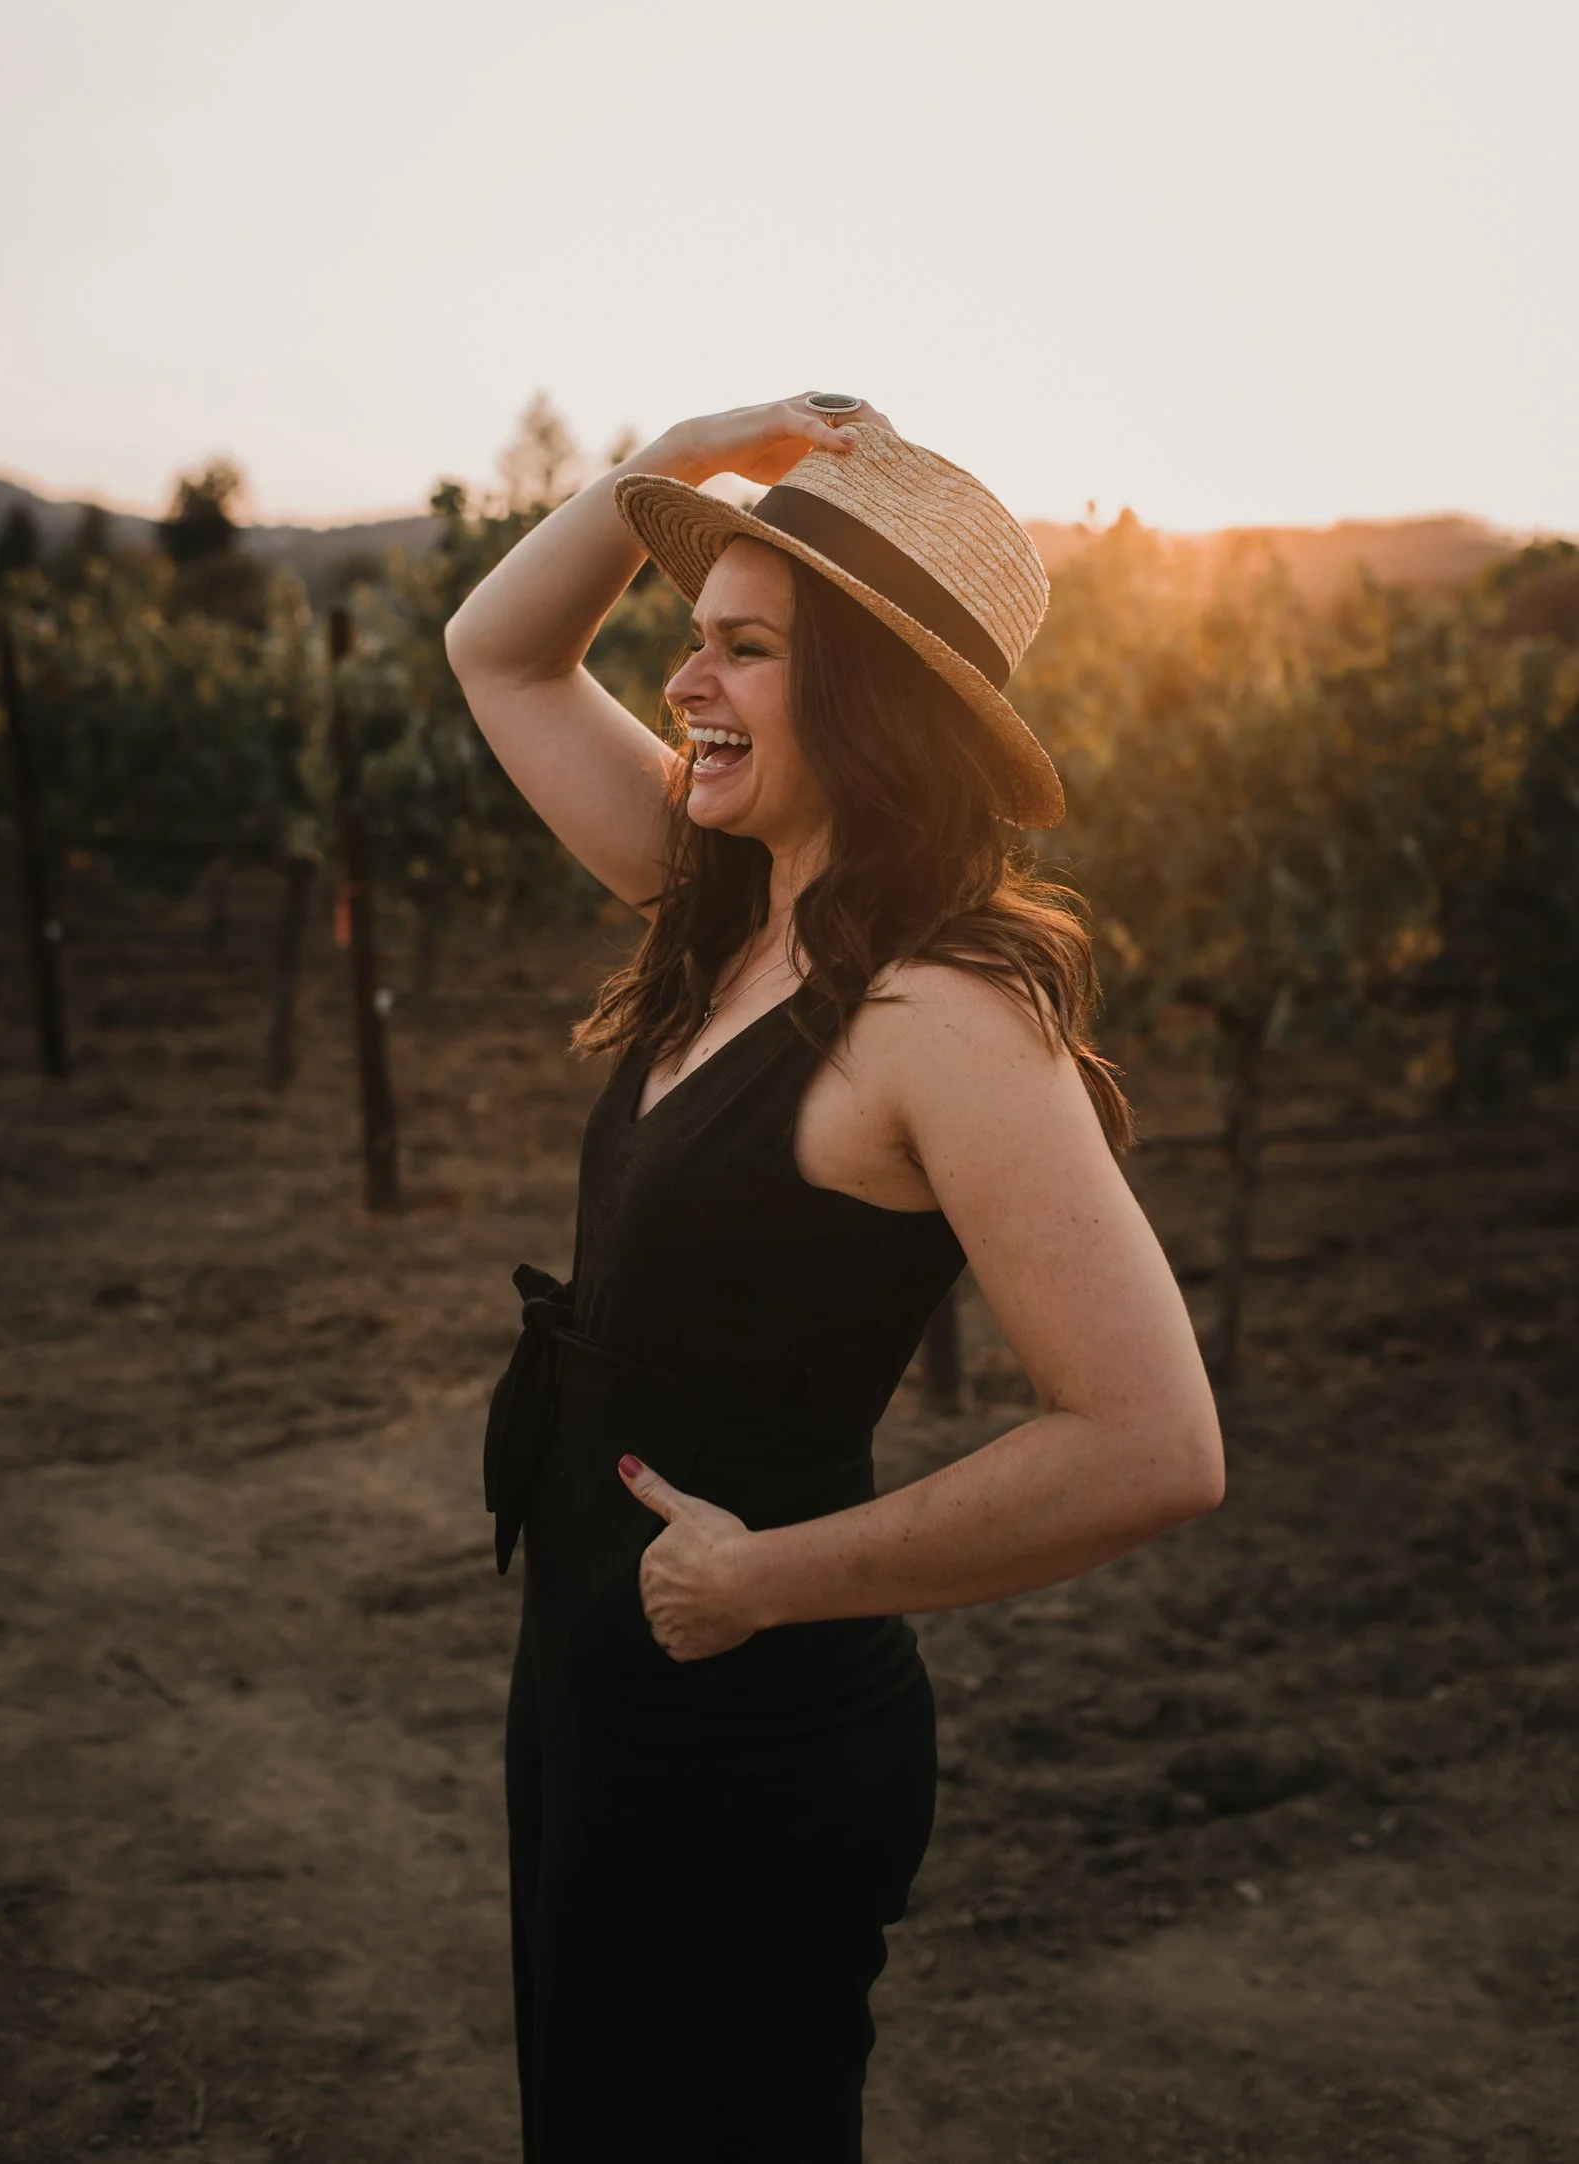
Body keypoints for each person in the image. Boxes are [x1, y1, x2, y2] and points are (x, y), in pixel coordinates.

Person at [445, 394, 1223, 2164]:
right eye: (687, 642)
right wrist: (693, 449)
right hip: (598, 1667)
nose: (683, 688)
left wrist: (765, 1581)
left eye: (742, 649)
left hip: (740, 1714)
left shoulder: (938, 1016)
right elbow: (495, 650)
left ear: (869, 699)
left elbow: (1152, 1441)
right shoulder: (723, 906)